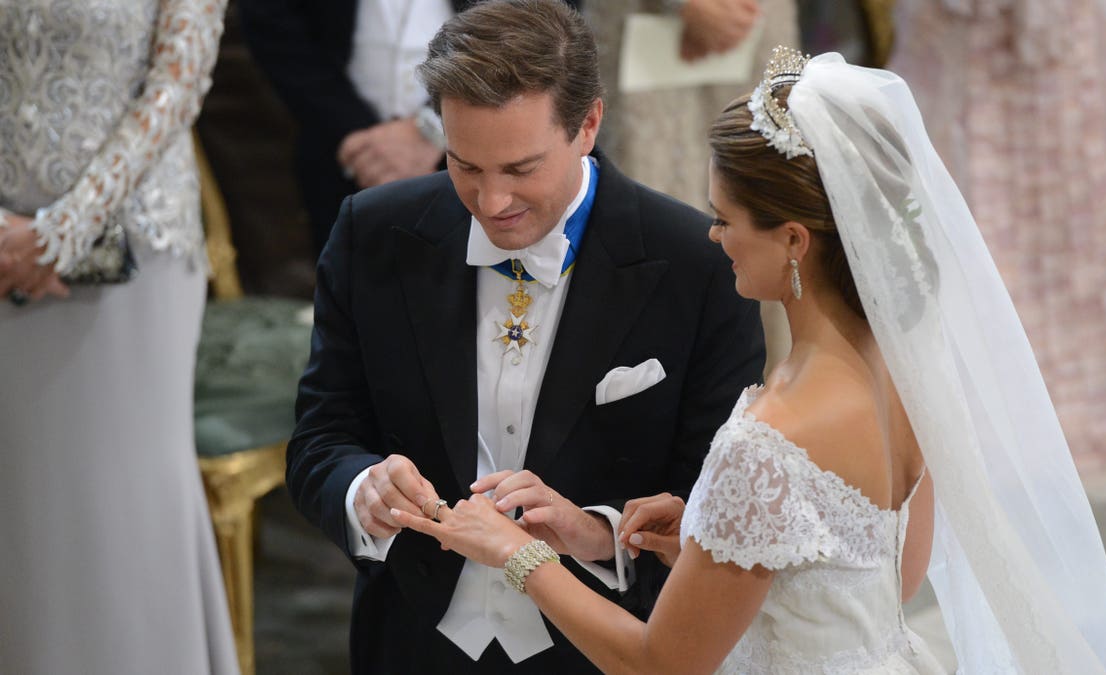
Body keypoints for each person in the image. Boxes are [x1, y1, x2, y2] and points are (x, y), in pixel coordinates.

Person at [396, 50, 1106, 673]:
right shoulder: (902, 368)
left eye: (726, 219)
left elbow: (660, 663)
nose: (714, 237)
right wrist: (711, 532)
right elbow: (887, 573)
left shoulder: (770, 438)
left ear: (794, 238)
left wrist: (520, 554)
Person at [286, 0, 765, 672]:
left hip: (599, 650)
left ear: (589, 123)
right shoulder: (374, 235)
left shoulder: (697, 265)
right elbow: (319, 438)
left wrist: (597, 532)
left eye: (520, 169)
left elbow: (716, 503)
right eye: (464, 166)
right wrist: (361, 485)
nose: (491, 203)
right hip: (411, 641)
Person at [0, 1, 238, 673]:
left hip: (137, 248)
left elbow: (178, 79)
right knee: (20, 516)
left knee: (122, 507)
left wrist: (59, 234)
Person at [889, 0, 1106, 470]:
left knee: (1078, 163)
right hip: (955, 27)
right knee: (954, 174)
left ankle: (1094, 382)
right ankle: (978, 397)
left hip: (1067, 24)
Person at [240, 0, 583, 257]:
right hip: (343, 156)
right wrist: (358, 139)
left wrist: (433, 128)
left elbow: (542, 19)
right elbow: (270, 21)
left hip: (490, 154)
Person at [586, 0, 797, 375]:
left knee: (768, 207)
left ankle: (775, 398)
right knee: (653, 215)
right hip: (642, 28)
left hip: (757, 25)